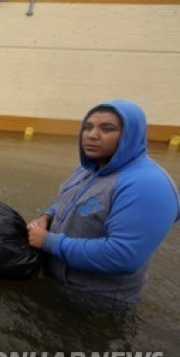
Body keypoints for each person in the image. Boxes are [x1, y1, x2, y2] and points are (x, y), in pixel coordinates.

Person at [27, 99, 179, 304]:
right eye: (88, 127)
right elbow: (71, 203)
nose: (92, 135)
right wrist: (47, 216)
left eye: (107, 129)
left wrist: (48, 241)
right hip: (58, 284)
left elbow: (122, 256)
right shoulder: (89, 168)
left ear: (130, 134)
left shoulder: (147, 184)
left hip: (96, 301)